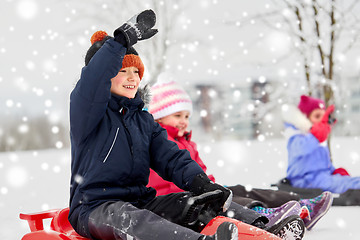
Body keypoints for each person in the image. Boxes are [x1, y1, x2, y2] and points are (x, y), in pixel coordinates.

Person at [67, 9, 291, 240]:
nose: (133, 77)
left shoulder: (143, 121)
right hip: (94, 208)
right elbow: (92, 82)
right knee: (130, 217)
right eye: (122, 71)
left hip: (141, 201)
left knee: (197, 204)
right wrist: (119, 42)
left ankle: (265, 229)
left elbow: (171, 158)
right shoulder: (88, 113)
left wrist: (202, 185)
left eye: (136, 71)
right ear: (104, 77)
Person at [146, 81, 324, 234]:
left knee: (240, 190)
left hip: (199, 190)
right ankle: (263, 216)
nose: (184, 121)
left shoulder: (186, 141)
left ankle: (299, 205)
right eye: (177, 116)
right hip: (178, 198)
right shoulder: (160, 142)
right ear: (159, 117)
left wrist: (211, 184)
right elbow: (167, 178)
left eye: (186, 116)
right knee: (228, 201)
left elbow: (199, 170)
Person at [282, 95, 360, 194]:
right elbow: (302, 148)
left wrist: (333, 171)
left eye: (323, 117)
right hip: (305, 181)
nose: (320, 121)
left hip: (321, 178)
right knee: (345, 184)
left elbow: (324, 163)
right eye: (317, 116)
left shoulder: (319, 137)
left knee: (346, 181)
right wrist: (316, 135)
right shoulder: (296, 136)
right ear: (305, 118)